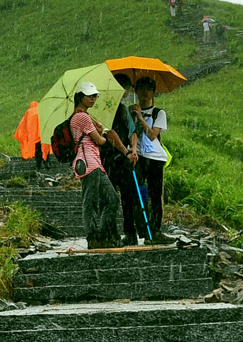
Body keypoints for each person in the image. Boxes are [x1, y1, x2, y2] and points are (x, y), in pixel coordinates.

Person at [68, 81, 123, 249]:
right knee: (91, 201)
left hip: (94, 163)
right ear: (80, 97)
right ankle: (94, 236)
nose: (93, 99)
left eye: (94, 96)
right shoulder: (82, 117)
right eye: (89, 96)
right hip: (88, 162)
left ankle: (103, 234)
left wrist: (97, 130)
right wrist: (103, 135)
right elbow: (99, 141)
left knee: (111, 199)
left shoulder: (82, 116)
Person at [104, 75, 143, 244]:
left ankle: (130, 233)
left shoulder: (125, 110)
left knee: (128, 197)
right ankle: (111, 233)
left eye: (125, 89)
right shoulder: (106, 109)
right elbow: (109, 133)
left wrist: (133, 149)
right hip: (109, 159)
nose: (124, 92)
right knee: (110, 198)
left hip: (123, 160)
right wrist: (126, 151)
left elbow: (132, 132)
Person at [134, 76, 169, 231]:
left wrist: (140, 118)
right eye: (141, 89)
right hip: (138, 156)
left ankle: (155, 229)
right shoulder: (131, 111)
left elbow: (153, 135)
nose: (145, 93)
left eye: (148, 90)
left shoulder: (158, 113)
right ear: (135, 91)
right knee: (138, 193)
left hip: (154, 158)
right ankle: (141, 228)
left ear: (154, 92)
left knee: (156, 194)